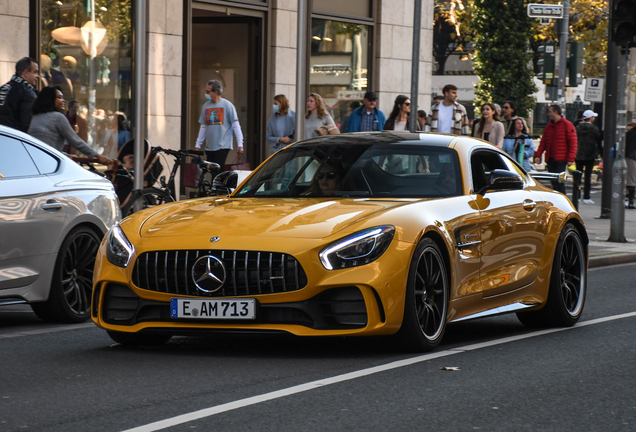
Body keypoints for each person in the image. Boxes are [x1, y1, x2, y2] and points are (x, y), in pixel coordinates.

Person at [28, 86, 111, 165]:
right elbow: (75, 141)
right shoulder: (58, 117)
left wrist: (64, 155)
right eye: (60, 97)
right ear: (50, 99)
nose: (63, 100)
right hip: (49, 164)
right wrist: (98, 156)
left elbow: (46, 146)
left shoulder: (35, 117)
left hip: (34, 161)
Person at [195, 79, 244, 165]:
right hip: (209, 146)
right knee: (211, 171)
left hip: (223, 145)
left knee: (217, 170)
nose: (206, 93)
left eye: (208, 91)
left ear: (216, 92)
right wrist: (198, 145)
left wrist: (240, 144)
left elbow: (236, 125)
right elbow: (203, 127)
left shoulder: (228, 105)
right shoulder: (205, 106)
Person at [535, 104, 578, 194]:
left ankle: (562, 198)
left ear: (556, 112)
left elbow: (573, 143)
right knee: (553, 181)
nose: (548, 114)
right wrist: (538, 155)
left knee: (559, 181)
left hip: (561, 159)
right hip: (551, 158)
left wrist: (571, 158)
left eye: (550, 112)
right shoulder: (549, 127)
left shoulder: (567, 125)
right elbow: (543, 142)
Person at [0, 57, 39, 132]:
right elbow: (27, 125)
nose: (38, 76)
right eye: (35, 72)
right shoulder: (28, 94)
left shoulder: (3, 88)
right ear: (26, 73)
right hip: (13, 137)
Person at [574, 109, 602, 204]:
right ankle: (587, 197)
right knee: (588, 176)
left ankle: (576, 196)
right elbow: (598, 141)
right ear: (590, 118)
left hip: (579, 154)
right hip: (590, 154)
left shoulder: (577, 128)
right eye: (593, 117)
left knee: (578, 176)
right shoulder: (594, 129)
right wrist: (600, 152)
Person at [626, 125, 636, 209]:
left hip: (630, 157)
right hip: (632, 157)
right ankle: (631, 200)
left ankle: (629, 199)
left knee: (630, 179)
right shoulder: (632, 134)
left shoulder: (629, 133)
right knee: (631, 180)